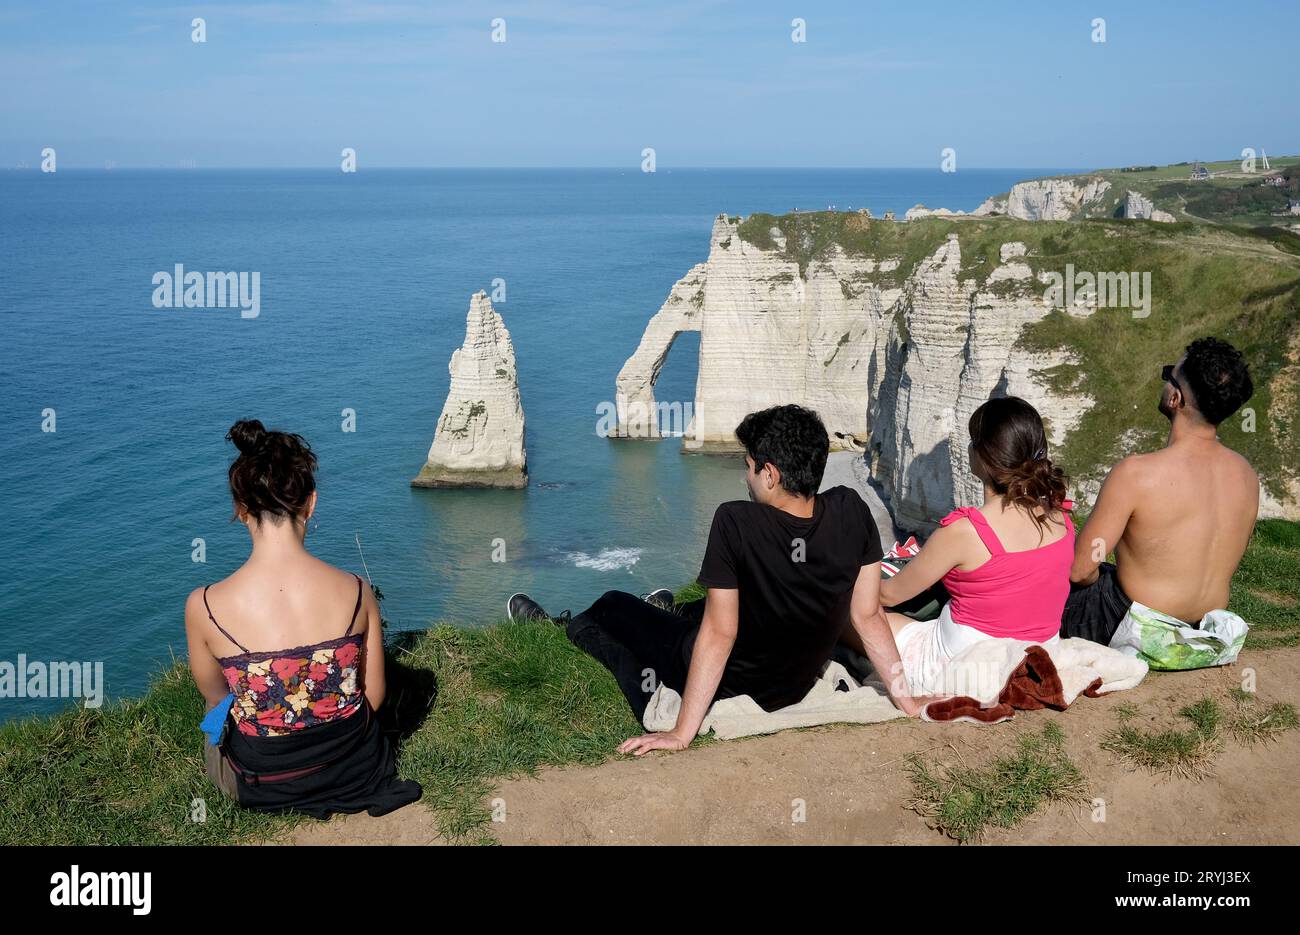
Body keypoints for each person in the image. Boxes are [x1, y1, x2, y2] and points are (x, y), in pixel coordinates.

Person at [508, 404, 930, 757]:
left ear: (770, 474)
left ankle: (564, 626)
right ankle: (665, 609)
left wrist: (681, 732)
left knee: (612, 605)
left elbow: (719, 633)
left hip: (732, 680)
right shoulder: (851, 508)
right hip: (794, 679)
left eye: (748, 467)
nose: (744, 478)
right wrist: (906, 700)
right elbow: (869, 613)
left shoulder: (736, 521)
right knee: (703, 608)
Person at [184, 419, 421, 817]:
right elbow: (374, 696)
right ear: (310, 504)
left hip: (261, 783)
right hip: (356, 768)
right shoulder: (356, 591)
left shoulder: (204, 605)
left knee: (217, 721)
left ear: (241, 510)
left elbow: (215, 699)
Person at [1061, 338, 1257, 657]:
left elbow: (1080, 570)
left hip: (1134, 622)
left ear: (1176, 397)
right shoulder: (1246, 474)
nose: (1165, 382)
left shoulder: (1136, 473)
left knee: (1041, 576)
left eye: (1169, 375)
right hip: (1200, 625)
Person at [869, 397, 1075, 696]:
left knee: (861, 615)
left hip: (965, 667)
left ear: (983, 458)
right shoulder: (1061, 517)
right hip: (1039, 657)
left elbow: (888, 594)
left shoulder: (965, 531)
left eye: (972, 441)